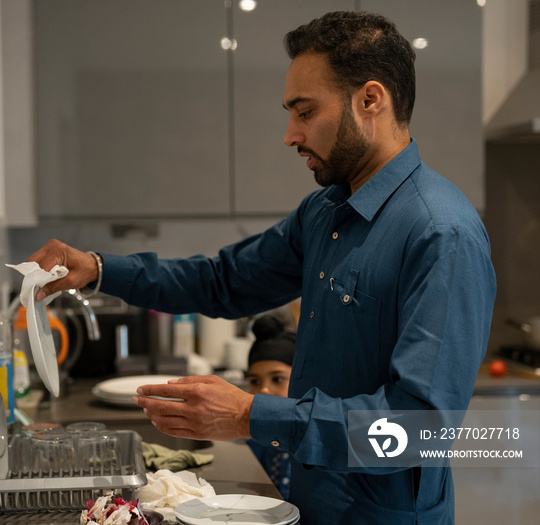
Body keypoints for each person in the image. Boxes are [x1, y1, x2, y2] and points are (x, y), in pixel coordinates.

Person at [26, 10, 496, 524]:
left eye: (305, 111)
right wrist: (96, 267)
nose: (290, 134)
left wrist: (250, 414)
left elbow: (417, 428)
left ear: (370, 100)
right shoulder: (324, 213)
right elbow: (222, 281)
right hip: (309, 504)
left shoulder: (441, 233)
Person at [244, 315, 296, 500]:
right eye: (255, 381)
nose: (264, 389)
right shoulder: (256, 441)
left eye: (277, 379)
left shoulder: (311, 441)